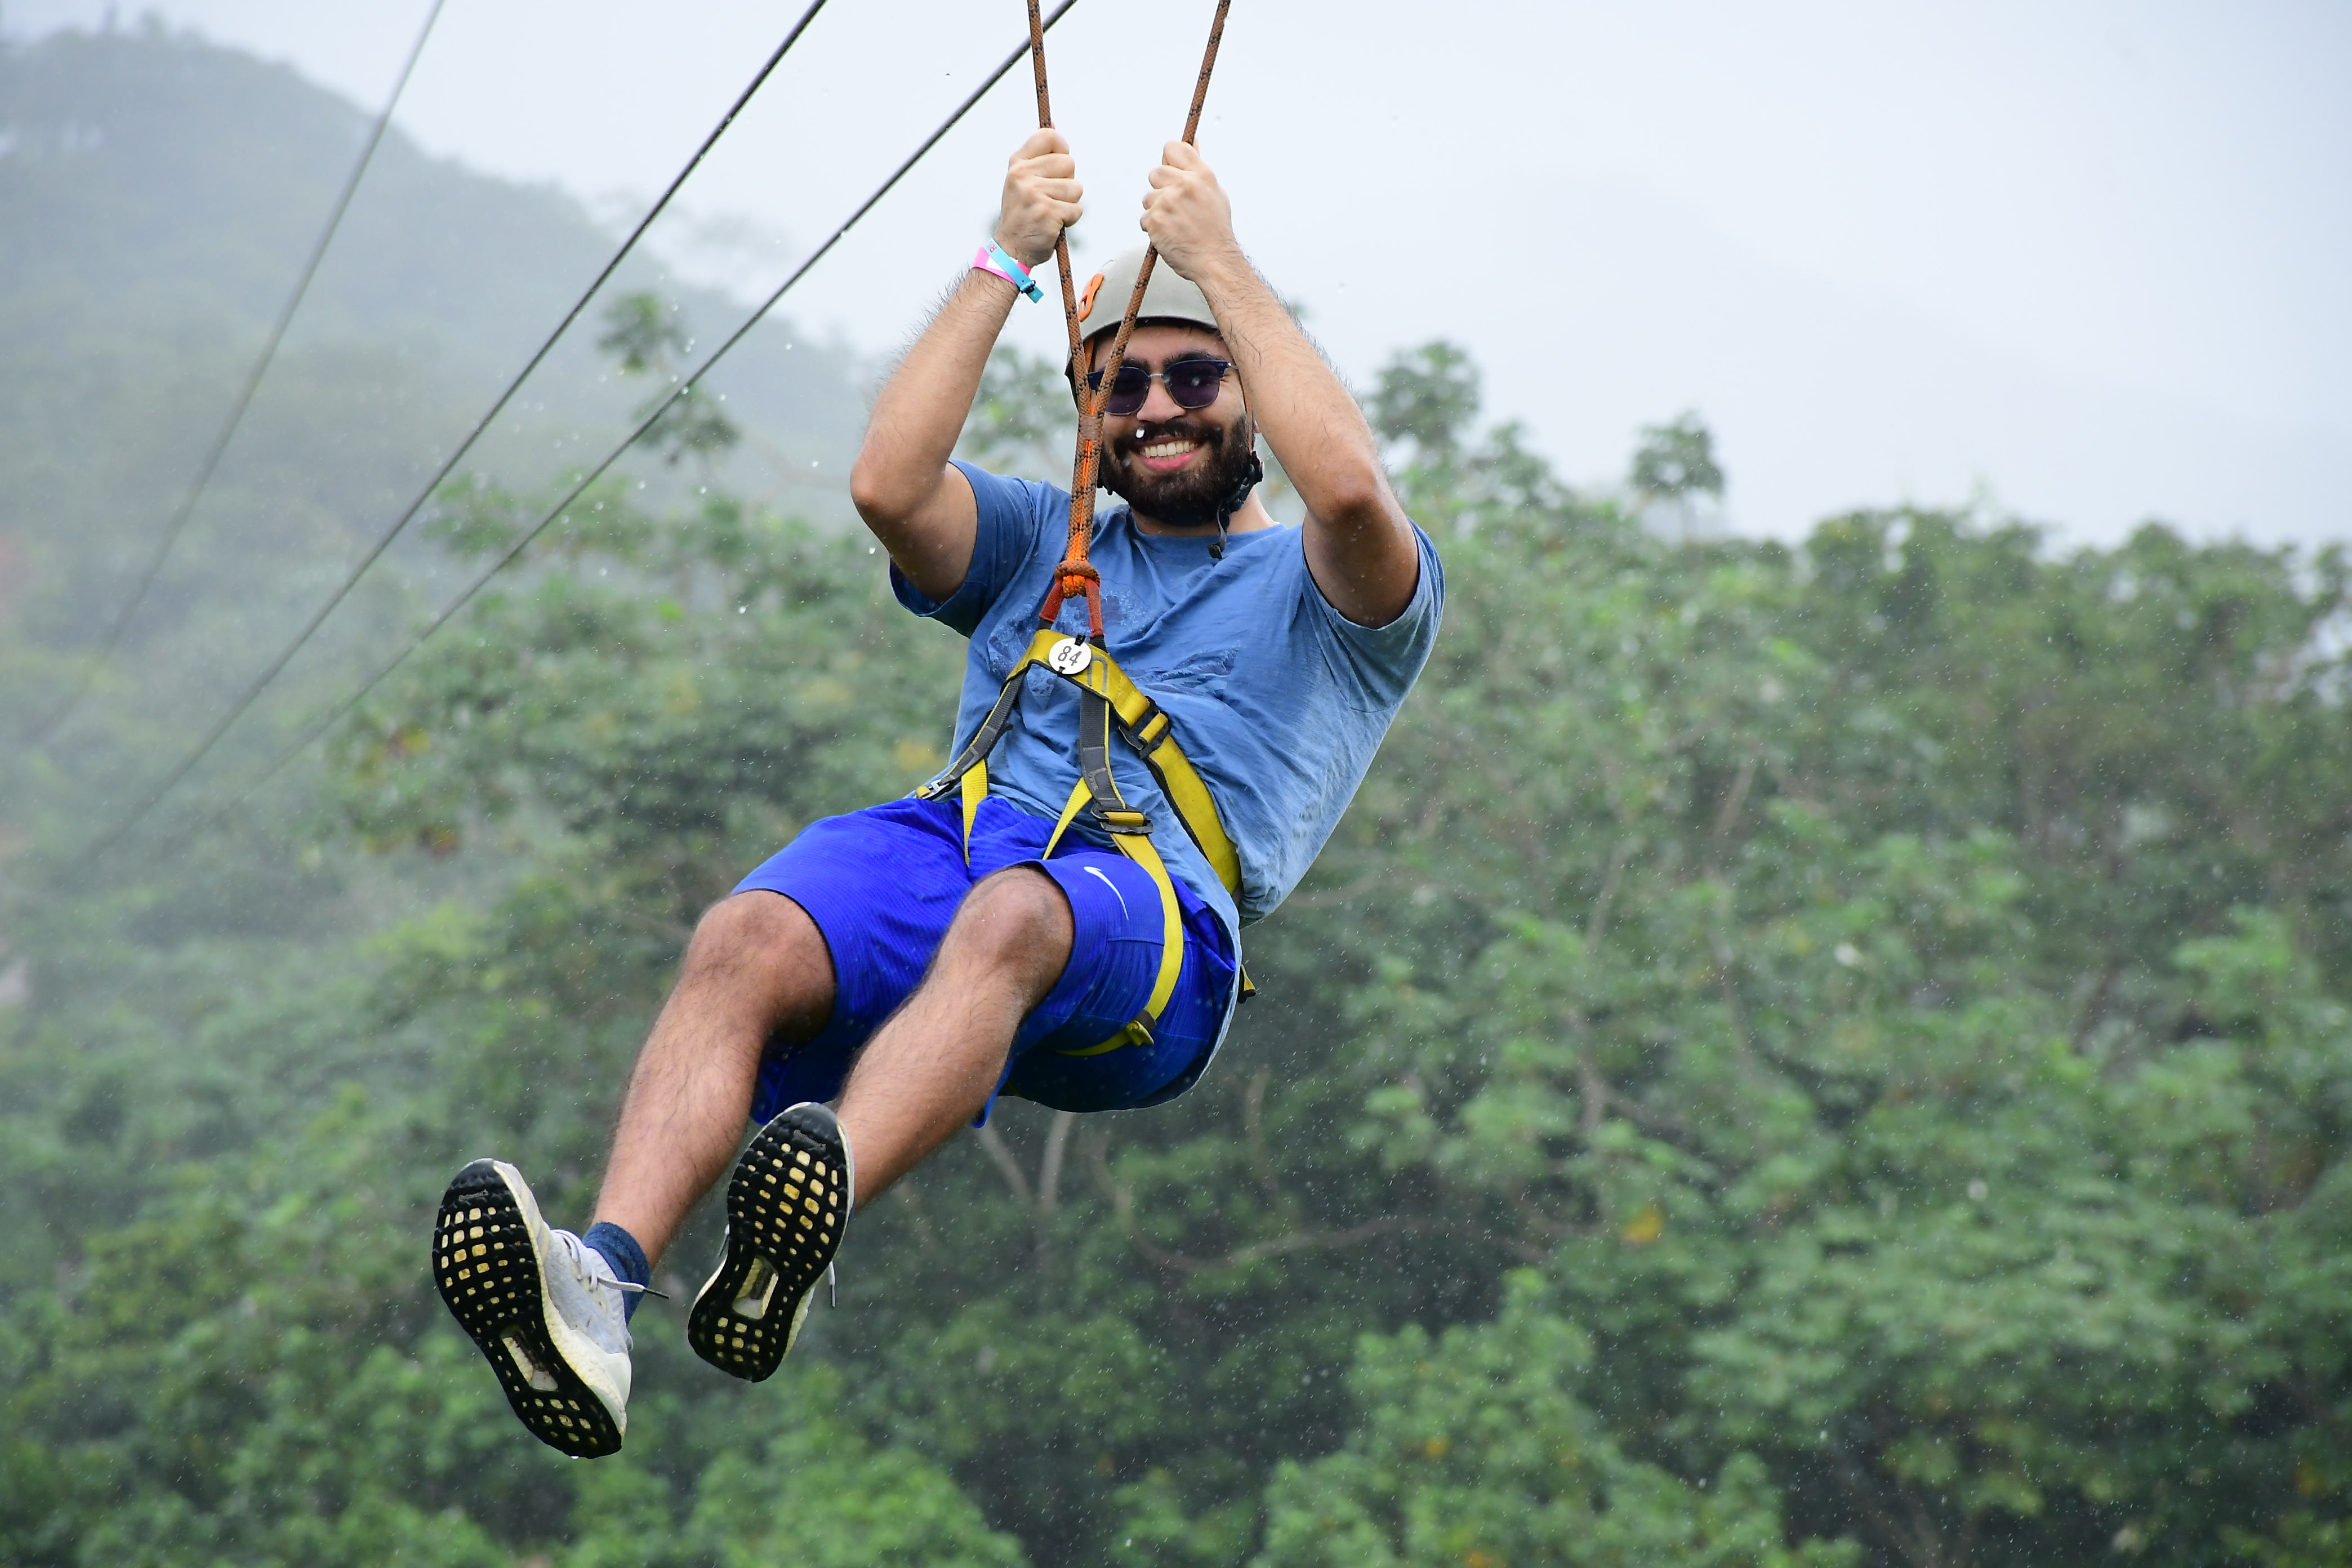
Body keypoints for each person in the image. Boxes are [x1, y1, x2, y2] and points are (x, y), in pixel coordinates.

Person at [430, 126, 1445, 1458]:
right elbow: (888, 486)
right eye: (1120, 384)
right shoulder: (1042, 533)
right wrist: (1003, 258)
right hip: (957, 843)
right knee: (745, 937)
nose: (1156, 407)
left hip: (1148, 919)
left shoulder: (1335, 598)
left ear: (1250, 386)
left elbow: (1355, 490)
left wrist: (1218, 263)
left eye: (1195, 374)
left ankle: (807, 1216)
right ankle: (600, 1289)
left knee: (1017, 916)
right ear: (1090, 414)